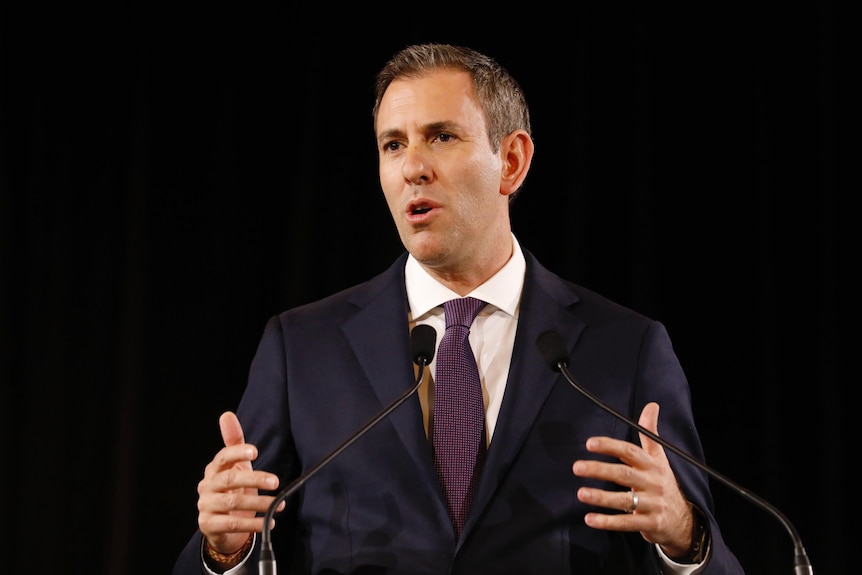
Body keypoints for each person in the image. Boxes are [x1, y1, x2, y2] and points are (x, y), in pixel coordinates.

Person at [173, 43, 745, 574]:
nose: (412, 167)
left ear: (513, 161)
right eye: (393, 144)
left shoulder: (624, 347)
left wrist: (682, 534)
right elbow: (227, 545)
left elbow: (712, 557)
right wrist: (227, 548)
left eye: (441, 137)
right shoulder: (302, 347)